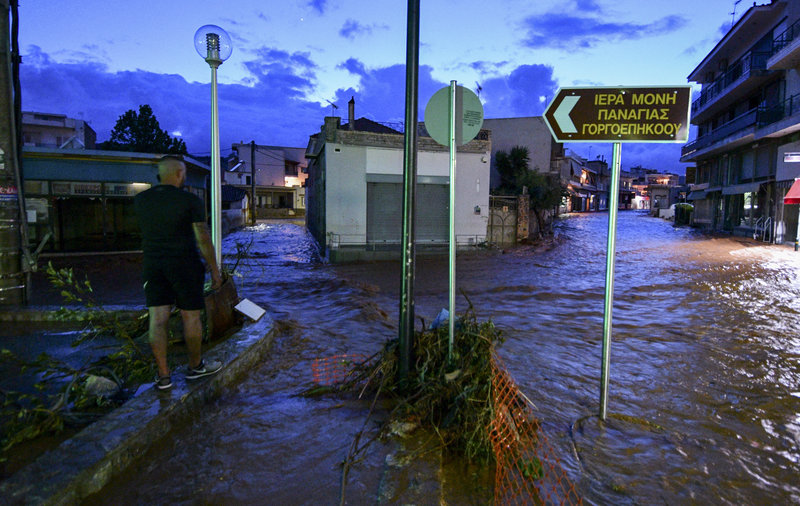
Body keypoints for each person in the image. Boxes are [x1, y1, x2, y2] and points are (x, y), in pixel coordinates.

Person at [134, 155, 223, 390]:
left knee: (158, 319)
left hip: (153, 265)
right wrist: (215, 270)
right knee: (191, 317)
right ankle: (195, 367)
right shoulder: (189, 200)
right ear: (178, 174)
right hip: (185, 264)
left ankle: (163, 376)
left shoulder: (141, 200)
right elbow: (203, 237)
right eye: (182, 172)